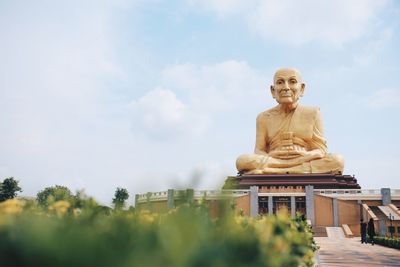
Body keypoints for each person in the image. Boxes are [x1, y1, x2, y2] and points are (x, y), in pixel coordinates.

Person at [236, 68, 344, 175]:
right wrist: (271, 156)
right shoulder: (264, 117)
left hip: (303, 159)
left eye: (292, 82)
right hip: (275, 160)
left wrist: (304, 156)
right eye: (280, 82)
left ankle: (277, 172)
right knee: (242, 161)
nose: (286, 87)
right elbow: (259, 151)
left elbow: (321, 150)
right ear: (273, 91)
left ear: (302, 89)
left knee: (337, 160)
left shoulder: (313, 113)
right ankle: (294, 171)